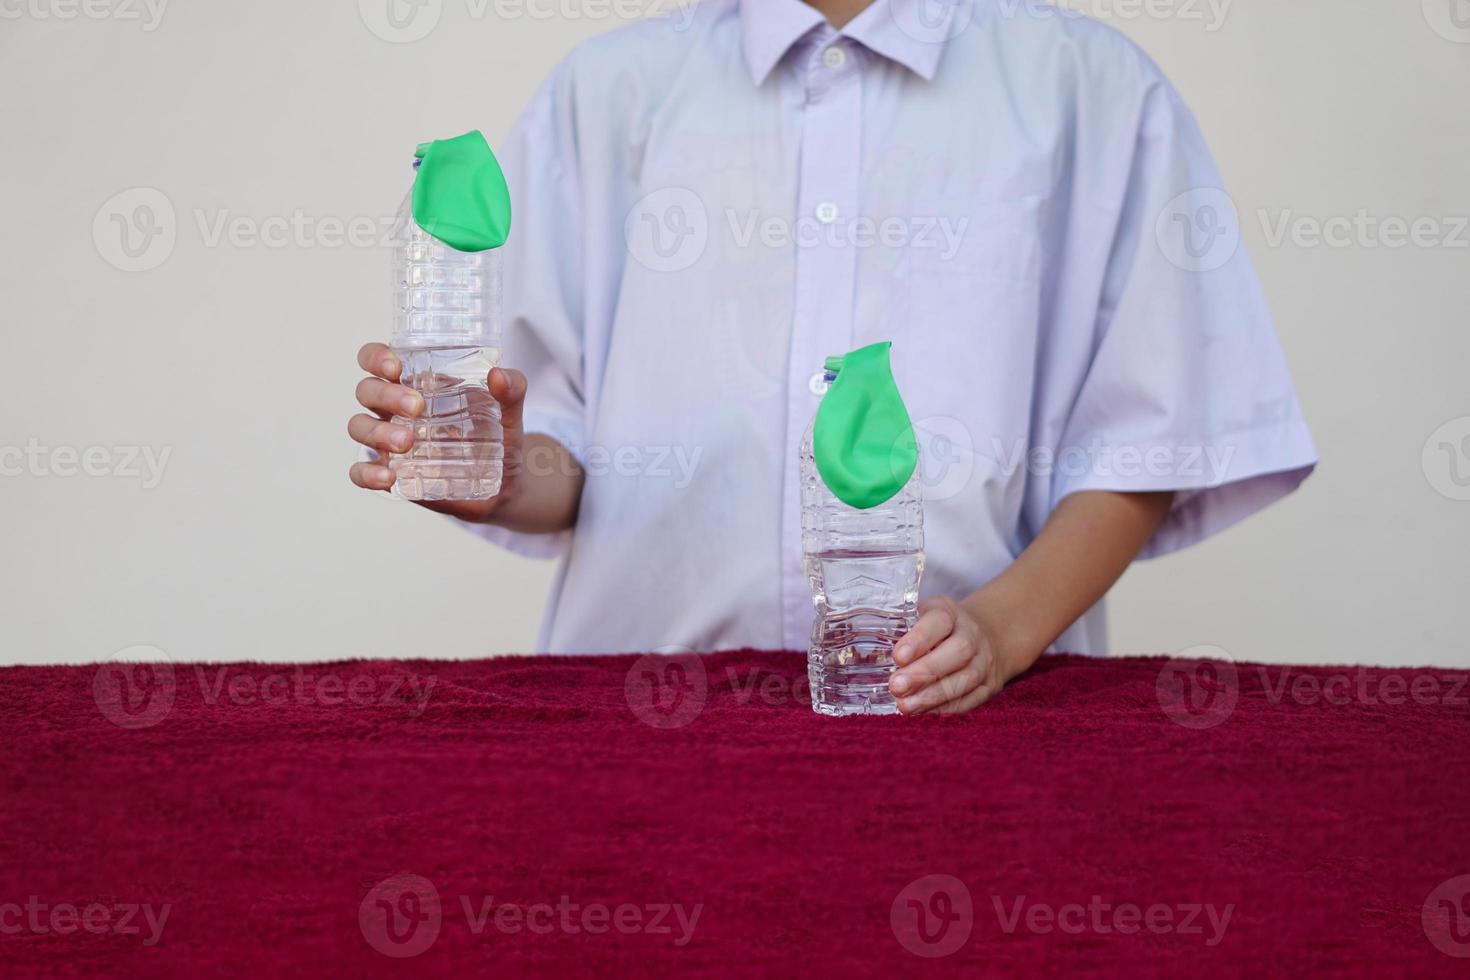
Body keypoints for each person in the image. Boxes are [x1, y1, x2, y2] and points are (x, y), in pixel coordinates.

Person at [347, 0, 1317, 715]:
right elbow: (561, 456)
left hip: (971, 717)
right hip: (638, 714)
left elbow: (1154, 436)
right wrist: (502, 468)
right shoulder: (608, 92)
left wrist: (1004, 624)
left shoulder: (1091, 89)